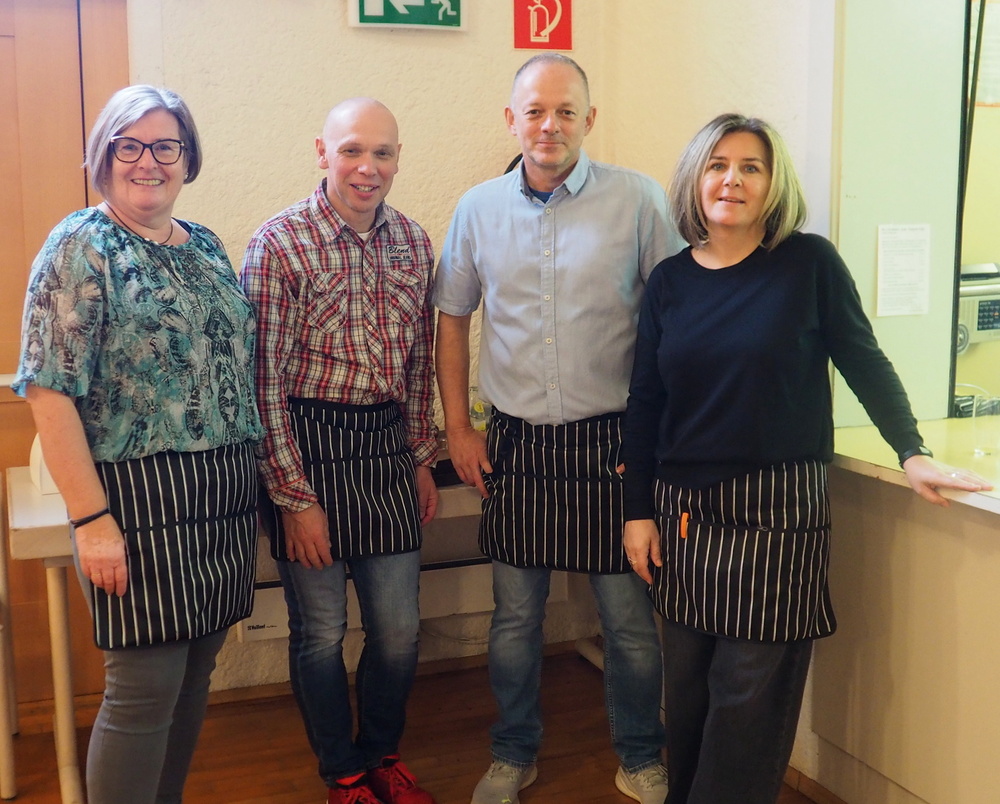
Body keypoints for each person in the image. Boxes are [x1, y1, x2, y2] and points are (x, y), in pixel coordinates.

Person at [620, 112, 992, 804]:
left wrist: (911, 450)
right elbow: (645, 402)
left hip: (777, 513)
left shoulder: (808, 264)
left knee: (748, 704)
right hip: (683, 515)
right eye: (717, 165)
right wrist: (636, 509)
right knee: (690, 693)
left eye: (751, 167)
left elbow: (864, 361)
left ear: (773, 183)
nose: (732, 179)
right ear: (696, 178)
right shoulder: (670, 280)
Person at [434, 53, 681, 804]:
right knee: (514, 618)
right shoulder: (477, 208)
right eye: (535, 111)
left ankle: (640, 756)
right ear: (511, 119)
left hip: (615, 445)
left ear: (589, 119)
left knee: (629, 622)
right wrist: (458, 428)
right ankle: (512, 754)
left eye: (566, 111)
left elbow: (678, 319)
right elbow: (452, 319)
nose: (550, 125)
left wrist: (665, 438)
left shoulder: (638, 201)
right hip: (515, 444)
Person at [12, 85, 265, 804]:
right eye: (130, 145)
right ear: (104, 155)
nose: (148, 161)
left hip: (222, 492)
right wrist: (92, 521)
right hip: (134, 498)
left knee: (194, 675)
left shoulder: (205, 245)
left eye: (165, 146)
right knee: (143, 688)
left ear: (187, 158)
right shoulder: (79, 246)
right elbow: (48, 390)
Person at [240, 98, 438, 804]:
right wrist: (294, 500)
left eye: (382, 152)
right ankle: (343, 772)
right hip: (307, 447)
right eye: (352, 150)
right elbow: (262, 384)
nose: (367, 167)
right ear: (323, 153)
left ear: (397, 158)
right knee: (322, 631)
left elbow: (418, 364)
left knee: (400, 631)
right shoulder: (278, 244)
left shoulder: (414, 242)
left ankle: (382, 753)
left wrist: (420, 456)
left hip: (385, 448)